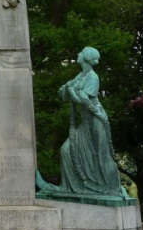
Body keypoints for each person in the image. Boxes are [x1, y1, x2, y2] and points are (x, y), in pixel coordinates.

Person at [36, 47, 129, 197]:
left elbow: (82, 99)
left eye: (80, 53)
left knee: (101, 155)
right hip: (86, 121)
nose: (77, 54)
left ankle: (113, 188)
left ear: (85, 57)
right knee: (66, 150)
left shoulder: (93, 77)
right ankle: (70, 187)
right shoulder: (81, 76)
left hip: (96, 119)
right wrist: (66, 90)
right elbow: (66, 95)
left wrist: (70, 89)